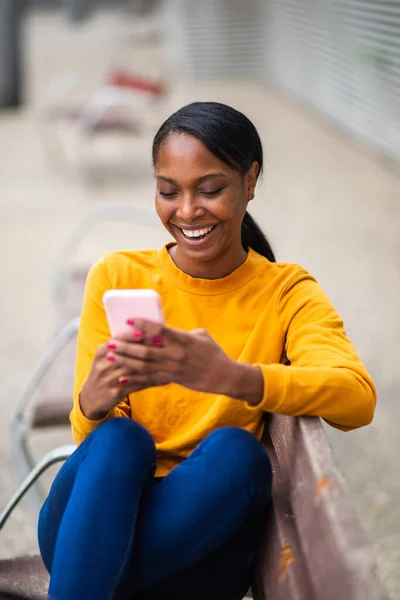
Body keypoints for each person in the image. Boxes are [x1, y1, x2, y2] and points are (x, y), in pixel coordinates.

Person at [37, 101, 376, 600]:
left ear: (251, 180)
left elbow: (356, 399)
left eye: (211, 189)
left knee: (238, 455)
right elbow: (92, 443)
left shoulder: (286, 292)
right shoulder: (117, 275)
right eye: (167, 191)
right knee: (120, 440)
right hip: (92, 515)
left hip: (195, 543)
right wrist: (91, 402)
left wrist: (233, 377)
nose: (188, 211)